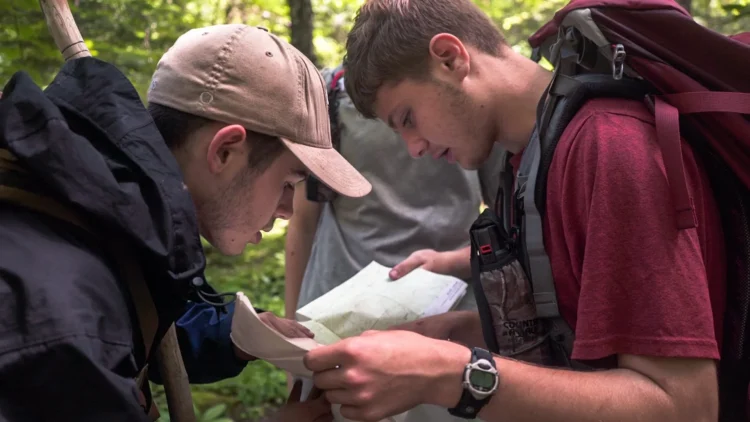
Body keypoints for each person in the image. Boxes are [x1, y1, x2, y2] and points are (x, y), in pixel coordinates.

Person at [302, 1, 726, 422]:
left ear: (450, 59)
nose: (415, 149)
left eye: (408, 118)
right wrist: (463, 337)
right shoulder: (525, 161)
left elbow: (686, 406)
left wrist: (453, 374)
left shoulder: (609, 147)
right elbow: (577, 334)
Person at [0, 24, 370, 421]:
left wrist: (236, 334)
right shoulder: (67, 321)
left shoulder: (99, 198)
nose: (288, 210)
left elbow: (137, 312)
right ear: (225, 151)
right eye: (288, 183)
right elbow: (95, 336)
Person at [284, 64, 503, 421]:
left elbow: (507, 225)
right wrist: (293, 333)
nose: (415, 144)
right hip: (340, 316)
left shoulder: (473, 99)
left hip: (446, 320)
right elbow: (302, 219)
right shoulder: (328, 96)